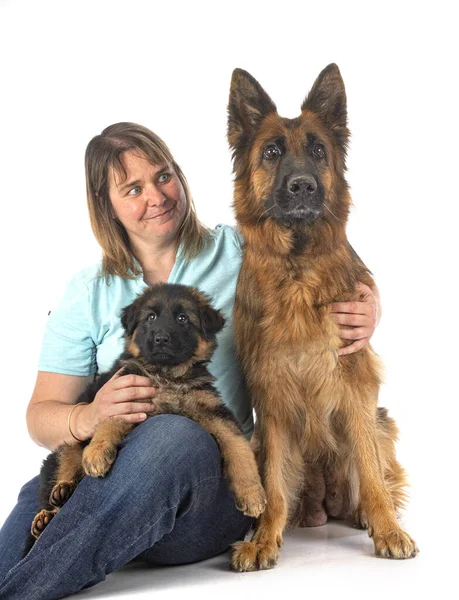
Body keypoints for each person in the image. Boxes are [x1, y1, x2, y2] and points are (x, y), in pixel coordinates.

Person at [0, 122, 381, 599]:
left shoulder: (240, 247)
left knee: (174, 434)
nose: (156, 196)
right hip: (106, 484)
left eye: (163, 176)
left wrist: (369, 301)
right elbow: (40, 418)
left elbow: (332, 253)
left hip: (208, 499)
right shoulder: (87, 292)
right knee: (38, 489)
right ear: (107, 205)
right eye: (133, 189)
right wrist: (90, 415)